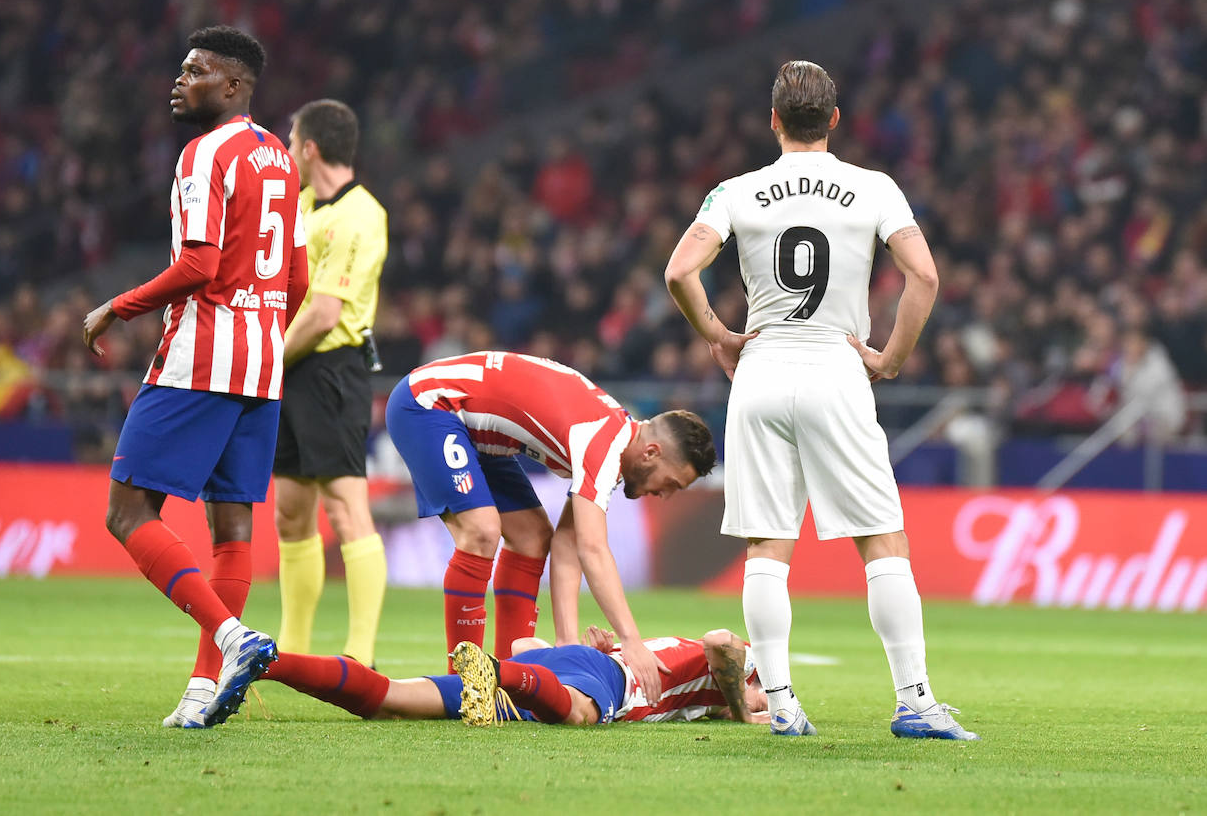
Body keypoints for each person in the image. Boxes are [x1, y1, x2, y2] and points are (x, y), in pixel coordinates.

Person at [664, 60, 977, 740]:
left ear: (773, 120)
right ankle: (915, 701)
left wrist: (718, 334)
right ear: (835, 119)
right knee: (882, 539)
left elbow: (680, 269)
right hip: (837, 367)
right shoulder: (875, 188)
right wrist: (890, 358)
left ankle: (780, 703)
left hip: (761, 370)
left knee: (767, 546)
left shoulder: (735, 191)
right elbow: (924, 275)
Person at [82, 26, 308, 728]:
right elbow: (298, 278)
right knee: (232, 527)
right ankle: (202, 690)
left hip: (201, 357)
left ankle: (233, 638)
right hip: (262, 366)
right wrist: (263, 332)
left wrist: (117, 307)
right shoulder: (281, 158)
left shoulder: (204, 154)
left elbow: (200, 265)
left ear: (233, 85)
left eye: (195, 71)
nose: (178, 82)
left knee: (127, 512)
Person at [385, 350, 718, 703]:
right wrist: (632, 642)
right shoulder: (604, 444)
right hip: (431, 404)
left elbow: (568, 543)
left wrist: (566, 643)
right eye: (671, 483)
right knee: (481, 530)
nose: (665, 495)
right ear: (651, 453)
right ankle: (464, 687)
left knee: (532, 537)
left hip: (477, 433)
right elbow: (592, 548)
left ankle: (508, 682)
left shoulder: (612, 437)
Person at [273, 99, 388, 667]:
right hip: (293, 367)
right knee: (290, 511)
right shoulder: (300, 207)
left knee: (345, 508)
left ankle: (359, 657)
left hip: (331, 368)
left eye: (292, 141)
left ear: (311, 148)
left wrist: (268, 360)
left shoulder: (360, 215)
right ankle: (292, 653)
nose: (287, 150)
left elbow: (322, 315)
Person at [257, 624, 768, 726]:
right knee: (579, 716)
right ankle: (498, 672)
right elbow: (721, 641)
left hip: (554, 666)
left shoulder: (699, 690)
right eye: (771, 698)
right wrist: (746, 712)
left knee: (391, 701)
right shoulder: (739, 668)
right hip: (604, 679)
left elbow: (530, 646)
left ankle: (269, 662)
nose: (771, 707)